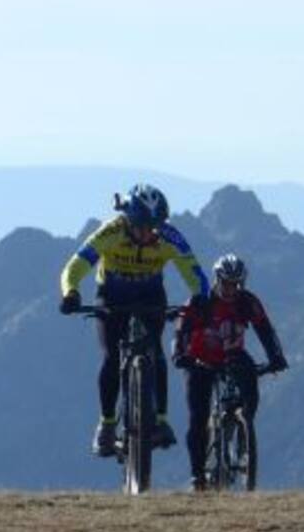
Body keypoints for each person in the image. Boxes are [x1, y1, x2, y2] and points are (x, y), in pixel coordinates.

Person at [59, 183, 209, 456]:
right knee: (111, 357)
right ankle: (106, 425)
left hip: (150, 295)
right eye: (141, 226)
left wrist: (201, 297)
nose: (149, 233)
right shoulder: (111, 232)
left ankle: (160, 421)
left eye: (154, 226)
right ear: (128, 220)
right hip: (112, 294)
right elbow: (76, 265)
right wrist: (71, 292)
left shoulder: (169, 236)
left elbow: (193, 270)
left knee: (156, 353)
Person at [173, 253, 287, 491]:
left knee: (250, 383)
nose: (230, 289)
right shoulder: (200, 300)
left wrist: (276, 357)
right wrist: (180, 354)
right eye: (226, 283)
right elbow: (181, 330)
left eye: (235, 284)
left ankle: (243, 429)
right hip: (200, 360)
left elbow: (265, 330)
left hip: (233, 356)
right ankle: (198, 476)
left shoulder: (248, 302)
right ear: (217, 280)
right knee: (198, 417)